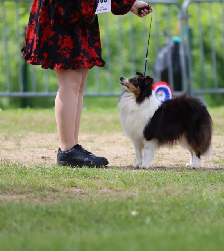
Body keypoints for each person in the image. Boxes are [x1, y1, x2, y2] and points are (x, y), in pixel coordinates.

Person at [21, 0, 153, 167]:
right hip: (66, 10)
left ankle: (72, 147)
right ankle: (67, 149)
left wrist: (130, 4)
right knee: (70, 82)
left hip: (77, 12)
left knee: (78, 82)